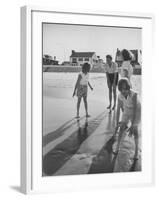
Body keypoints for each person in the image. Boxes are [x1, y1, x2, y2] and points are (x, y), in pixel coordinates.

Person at [116, 78, 141, 160]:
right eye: (122, 89)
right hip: (127, 110)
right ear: (120, 89)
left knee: (135, 131)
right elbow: (118, 109)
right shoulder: (120, 96)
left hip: (137, 111)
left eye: (126, 88)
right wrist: (117, 124)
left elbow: (135, 110)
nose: (124, 91)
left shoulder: (134, 94)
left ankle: (136, 152)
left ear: (128, 87)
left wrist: (132, 125)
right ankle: (117, 148)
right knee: (121, 128)